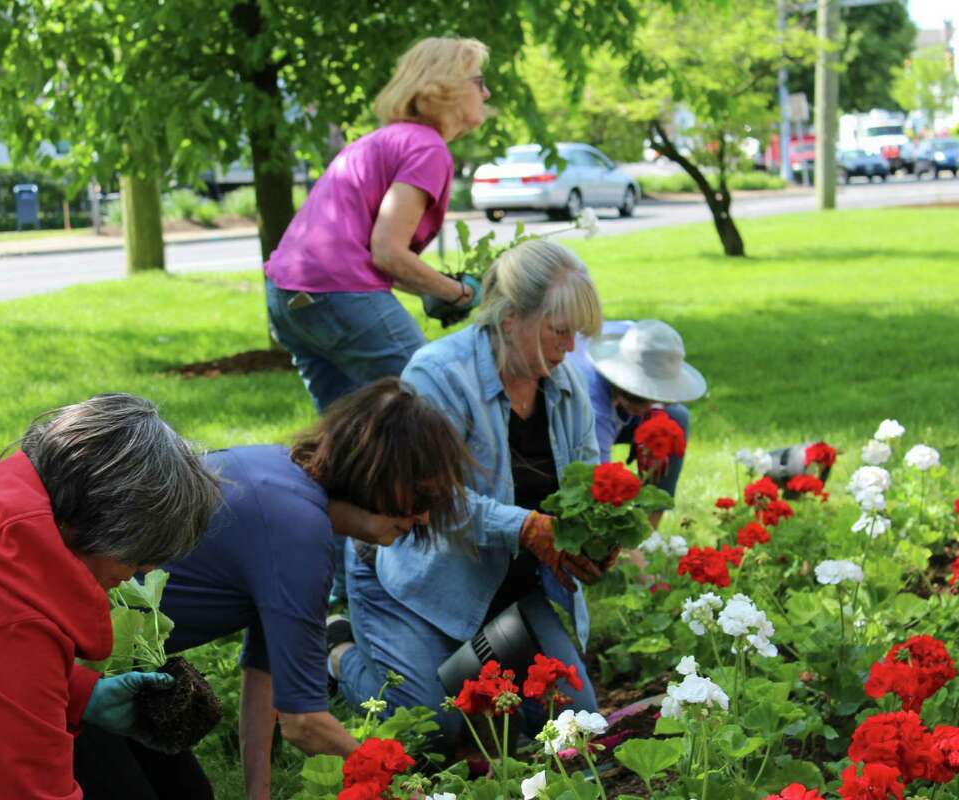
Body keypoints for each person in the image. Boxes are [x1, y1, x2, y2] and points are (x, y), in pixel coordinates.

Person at [102, 379, 472, 800]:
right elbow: (304, 723)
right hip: (67, 665)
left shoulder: (284, 479)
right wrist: (408, 790)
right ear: (378, 473)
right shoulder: (299, 533)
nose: (423, 518)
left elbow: (263, 678)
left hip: (109, 671)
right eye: (420, 498)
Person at [0, 394, 221, 800]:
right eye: (139, 554)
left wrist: (82, 695)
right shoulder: (6, 625)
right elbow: (37, 791)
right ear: (94, 527)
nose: (140, 571)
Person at [331, 239, 609, 747]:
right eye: (559, 330)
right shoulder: (438, 374)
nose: (570, 348)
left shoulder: (564, 384)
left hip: (507, 591)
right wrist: (526, 526)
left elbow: (587, 479)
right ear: (510, 319)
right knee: (432, 728)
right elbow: (432, 501)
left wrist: (595, 532)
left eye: (576, 334)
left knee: (575, 724)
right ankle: (337, 650)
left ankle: (469, 670)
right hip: (417, 582)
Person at [264, 36, 492, 414]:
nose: (486, 94)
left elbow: (367, 251)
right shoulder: (427, 147)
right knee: (435, 407)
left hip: (286, 294)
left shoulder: (382, 141)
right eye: (478, 82)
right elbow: (387, 251)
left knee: (349, 428)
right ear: (446, 86)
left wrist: (431, 289)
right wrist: (458, 292)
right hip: (338, 292)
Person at [568, 319, 706, 519]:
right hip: (570, 424)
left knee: (676, 417)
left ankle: (649, 529)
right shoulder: (593, 405)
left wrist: (656, 425)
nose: (650, 407)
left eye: (661, 399)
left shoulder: (643, 339)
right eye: (640, 400)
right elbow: (597, 477)